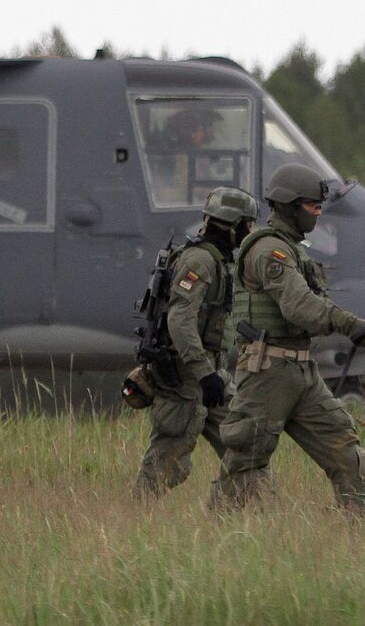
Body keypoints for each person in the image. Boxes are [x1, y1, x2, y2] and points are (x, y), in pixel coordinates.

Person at [211, 163, 365, 512]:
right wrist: (347, 323)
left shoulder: (291, 250)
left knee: (348, 455)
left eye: (319, 206)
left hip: (302, 372)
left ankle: (362, 539)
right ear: (288, 205)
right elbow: (299, 306)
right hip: (267, 373)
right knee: (245, 463)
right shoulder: (268, 251)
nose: (318, 212)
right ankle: (213, 540)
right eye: (312, 205)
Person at [132, 185, 254, 497]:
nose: (250, 231)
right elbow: (179, 320)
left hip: (210, 375)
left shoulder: (219, 261)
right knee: (167, 462)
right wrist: (204, 373)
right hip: (187, 377)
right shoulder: (199, 262)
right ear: (231, 225)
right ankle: (134, 519)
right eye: (247, 225)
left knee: (246, 445)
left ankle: (243, 513)